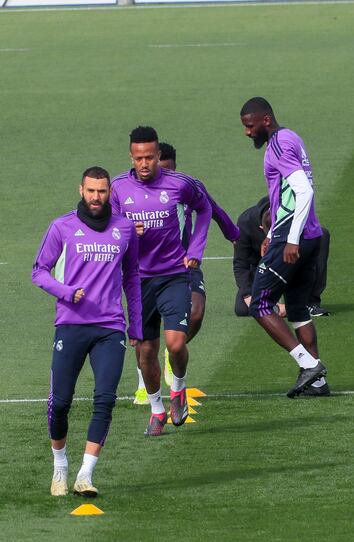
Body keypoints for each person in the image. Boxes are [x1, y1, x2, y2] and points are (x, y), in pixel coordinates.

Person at [32, 166, 142, 497]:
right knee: (61, 403)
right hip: (71, 325)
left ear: (110, 193)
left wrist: (135, 323)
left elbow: (132, 277)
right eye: (91, 191)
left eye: (103, 191)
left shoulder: (124, 229)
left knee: (105, 400)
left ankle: (85, 475)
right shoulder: (62, 227)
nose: (97, 197)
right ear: (81, 190)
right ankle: (60, 467)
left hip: (110, 327)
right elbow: (39, 271)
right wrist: (66, 292)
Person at [110, 126, 212, 436]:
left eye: (150, 158)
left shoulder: (179, 184)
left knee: (176, 342)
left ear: (158, 156)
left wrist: (195, 249)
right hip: (138, 281)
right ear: (131, 156)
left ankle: (178, 389)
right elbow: (109, 229)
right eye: (139, 158)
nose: (144, 164)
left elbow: (205, 208)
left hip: (173, 275)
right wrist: (127, 232)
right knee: (145, 350)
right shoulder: (117, 188)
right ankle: (156, 409)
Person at [133, 142, 240, 404]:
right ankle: (142, 384)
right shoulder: (134, 191)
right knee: (145, 336)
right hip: (146, 271)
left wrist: (235, 236)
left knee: (196, 311)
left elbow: (212, 209)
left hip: (184, 265)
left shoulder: (186, 186)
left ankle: (173, 353)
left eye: (165, 168)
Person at [240, 97, 329, 398]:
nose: (247, 132)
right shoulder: (291, 137)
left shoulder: (278, 145)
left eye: (250, 126)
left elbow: (303, 190)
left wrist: (289, 239)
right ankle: (318, 384)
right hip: (311, 234)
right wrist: (274, 232)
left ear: (265, 120)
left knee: (259, 303)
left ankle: (309, 365)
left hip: (296, 238)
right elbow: (288, 196)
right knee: (298, 309)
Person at [233, 196, 330, 318]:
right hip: (262, 267)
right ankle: (277, 305)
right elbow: (241, 264)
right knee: (242, 308)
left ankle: (310, 303)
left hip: (292, 261)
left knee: (321, 236)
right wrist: (248, 295)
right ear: (261, 228)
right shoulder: (245, 223)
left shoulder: (295, 216)